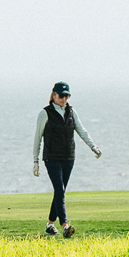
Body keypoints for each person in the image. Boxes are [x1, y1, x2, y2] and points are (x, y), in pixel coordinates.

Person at [32, 81, 101, 237]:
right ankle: (64, 225)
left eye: (67, 96)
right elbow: (37, 138)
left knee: (60, 192)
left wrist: (93, 146)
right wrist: (35, 161)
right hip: (51, 157)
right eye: (61, 96)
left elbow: (81, 130)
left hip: (68, 157)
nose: (64, 99)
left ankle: (50, 225)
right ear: (54, 95)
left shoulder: (71, 111)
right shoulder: (45, 113)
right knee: (59, 190)